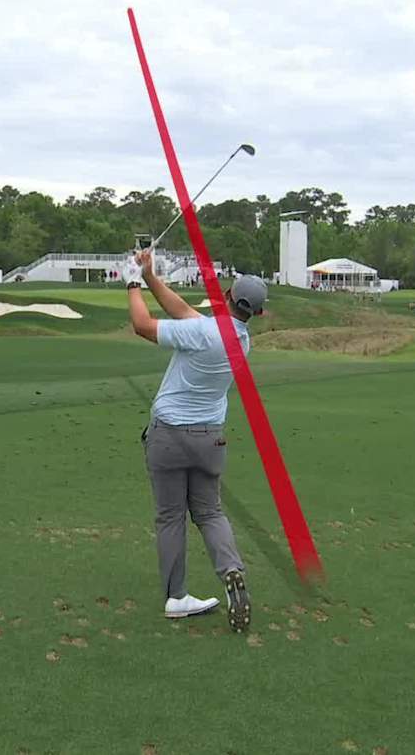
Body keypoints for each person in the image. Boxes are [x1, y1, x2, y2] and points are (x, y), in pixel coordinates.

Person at [124, 246, 259, 632]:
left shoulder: (204, 332)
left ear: (229, 295)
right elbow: (182, 310)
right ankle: (231, 570)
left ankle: (177, 596)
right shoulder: (240, 340)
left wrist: (131, 283)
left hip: (168, 437)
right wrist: (149, 276)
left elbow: (143, 326)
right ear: (256, 312)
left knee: (170, 517)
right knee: (211, 512)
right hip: (209, 441)